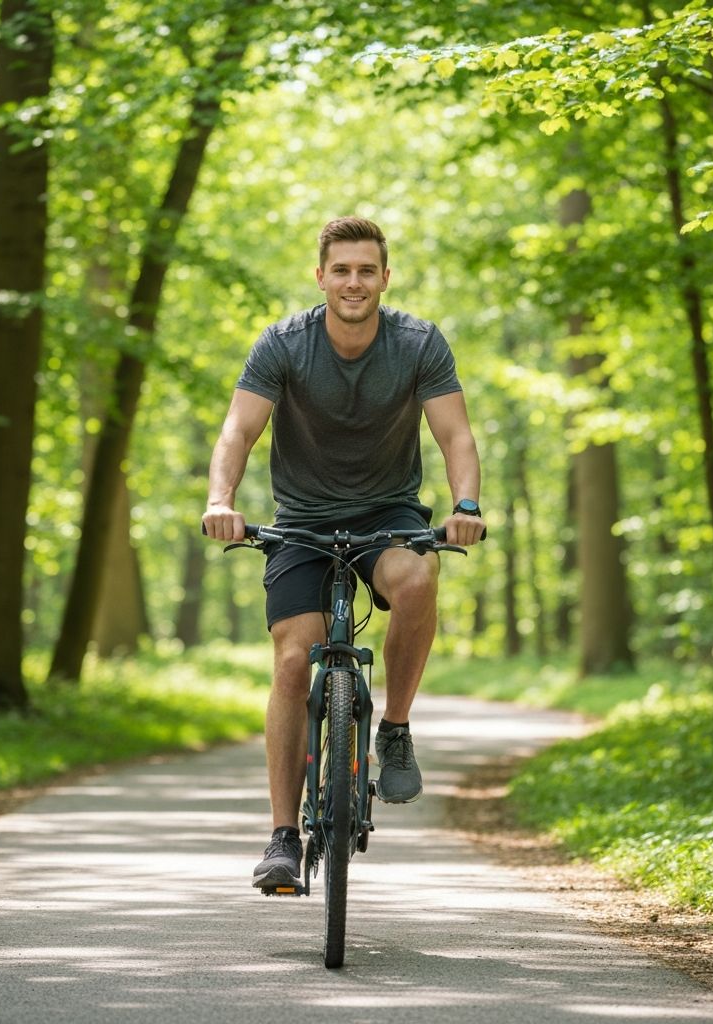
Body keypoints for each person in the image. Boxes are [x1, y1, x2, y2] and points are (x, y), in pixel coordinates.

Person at [202, 216, 485, 891]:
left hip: (387, 515)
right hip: (300, 521)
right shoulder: (284, 344)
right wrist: (221, 500)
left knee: (417, 579)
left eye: (366, 270)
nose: (353, 282)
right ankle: (280, 838)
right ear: (320, 275)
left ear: (385, 277)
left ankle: (393, 729)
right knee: (294, 658)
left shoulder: (417, 343)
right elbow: (238, 431)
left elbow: (457, 438)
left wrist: (465, 507)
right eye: (341, 270)